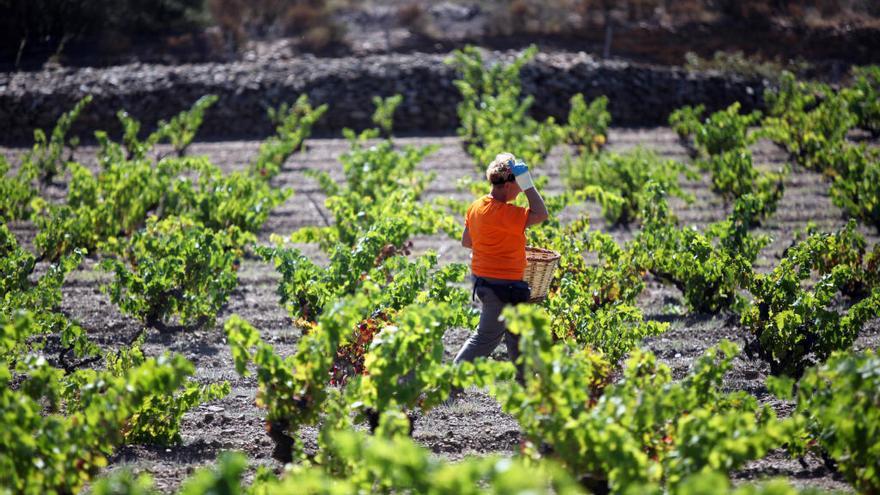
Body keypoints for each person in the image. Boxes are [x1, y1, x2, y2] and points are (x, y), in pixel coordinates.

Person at [452, 152, 549, 386]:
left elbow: (467, 241)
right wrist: (529, 184)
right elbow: (541, 213)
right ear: (508, 185)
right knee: (485, 338)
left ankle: (525, 382)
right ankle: (451, 384)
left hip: (486, 282)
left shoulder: (476, 206)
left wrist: (494, 243)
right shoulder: (505, 214)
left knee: (517, 334)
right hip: (503, 286)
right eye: (518, 185)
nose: (519, 192)